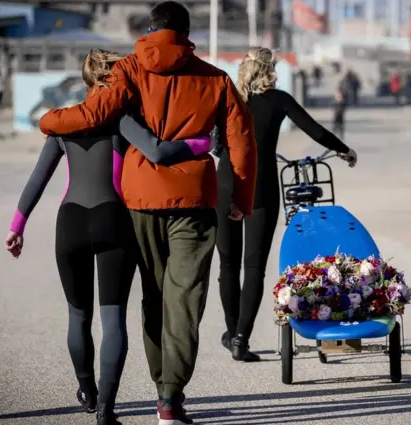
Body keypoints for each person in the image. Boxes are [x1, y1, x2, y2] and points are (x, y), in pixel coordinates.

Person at [37, 3, 257, 424]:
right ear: (187, 32)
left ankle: (164, 388)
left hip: (139, 203)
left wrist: (48, 120)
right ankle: (170, 398)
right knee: (186, 300)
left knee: (154, 299)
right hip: (194, 203)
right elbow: (242, 143)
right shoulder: (217, 79)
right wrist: (240, 200)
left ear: (151, 28)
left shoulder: (131, 70)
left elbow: (93, 113)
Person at [5, 49, 211, 425]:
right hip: (113, 219)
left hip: (70, 222)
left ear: (85, 80)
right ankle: (105, 411)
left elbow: (38, 178)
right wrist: (202, 144)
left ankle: (87, 391)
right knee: (113, 319)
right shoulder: (121, 119)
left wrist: (17, 227)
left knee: (77, 316)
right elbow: (157, 151)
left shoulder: (63, 123)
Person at [214, 47, 358, 362]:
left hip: (224, 183)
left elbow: (214, 142)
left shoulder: (227, 97)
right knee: (253, 267)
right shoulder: (279, 99)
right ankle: (240, 339)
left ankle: (231, 331)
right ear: (270, 70)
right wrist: (344, 149)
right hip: (260, 186)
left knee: (227, 265)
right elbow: (315, 130)